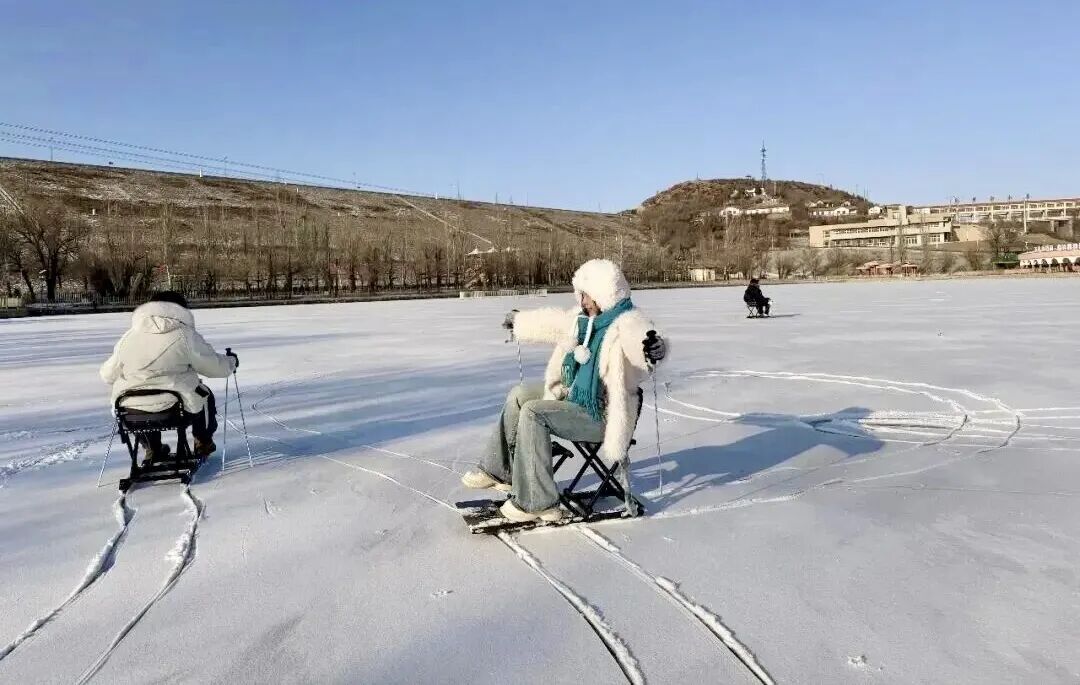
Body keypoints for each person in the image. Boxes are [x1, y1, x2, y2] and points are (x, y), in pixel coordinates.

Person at [461, 259, 668, 523]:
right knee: (519, 395)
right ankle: (501, 471)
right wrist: (519, 322)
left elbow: (641, 339)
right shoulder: (583, 320)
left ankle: (538, 502)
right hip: (573, 400)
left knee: (534, 413)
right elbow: (551, 322)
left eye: (587, 295)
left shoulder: (627, 322)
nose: (582, 301)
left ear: (604, 294)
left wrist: (654, 349)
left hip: (603, 417)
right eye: (580, 294)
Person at [100, 291, 237, 459]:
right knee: (205, 395)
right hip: (175, 408)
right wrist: (231, 361)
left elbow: (107, 374)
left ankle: (152, 448)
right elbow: (214, 367)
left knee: (139, 408)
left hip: (130, 409)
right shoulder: (185, 335)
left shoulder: (129, 337)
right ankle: (203, 442)